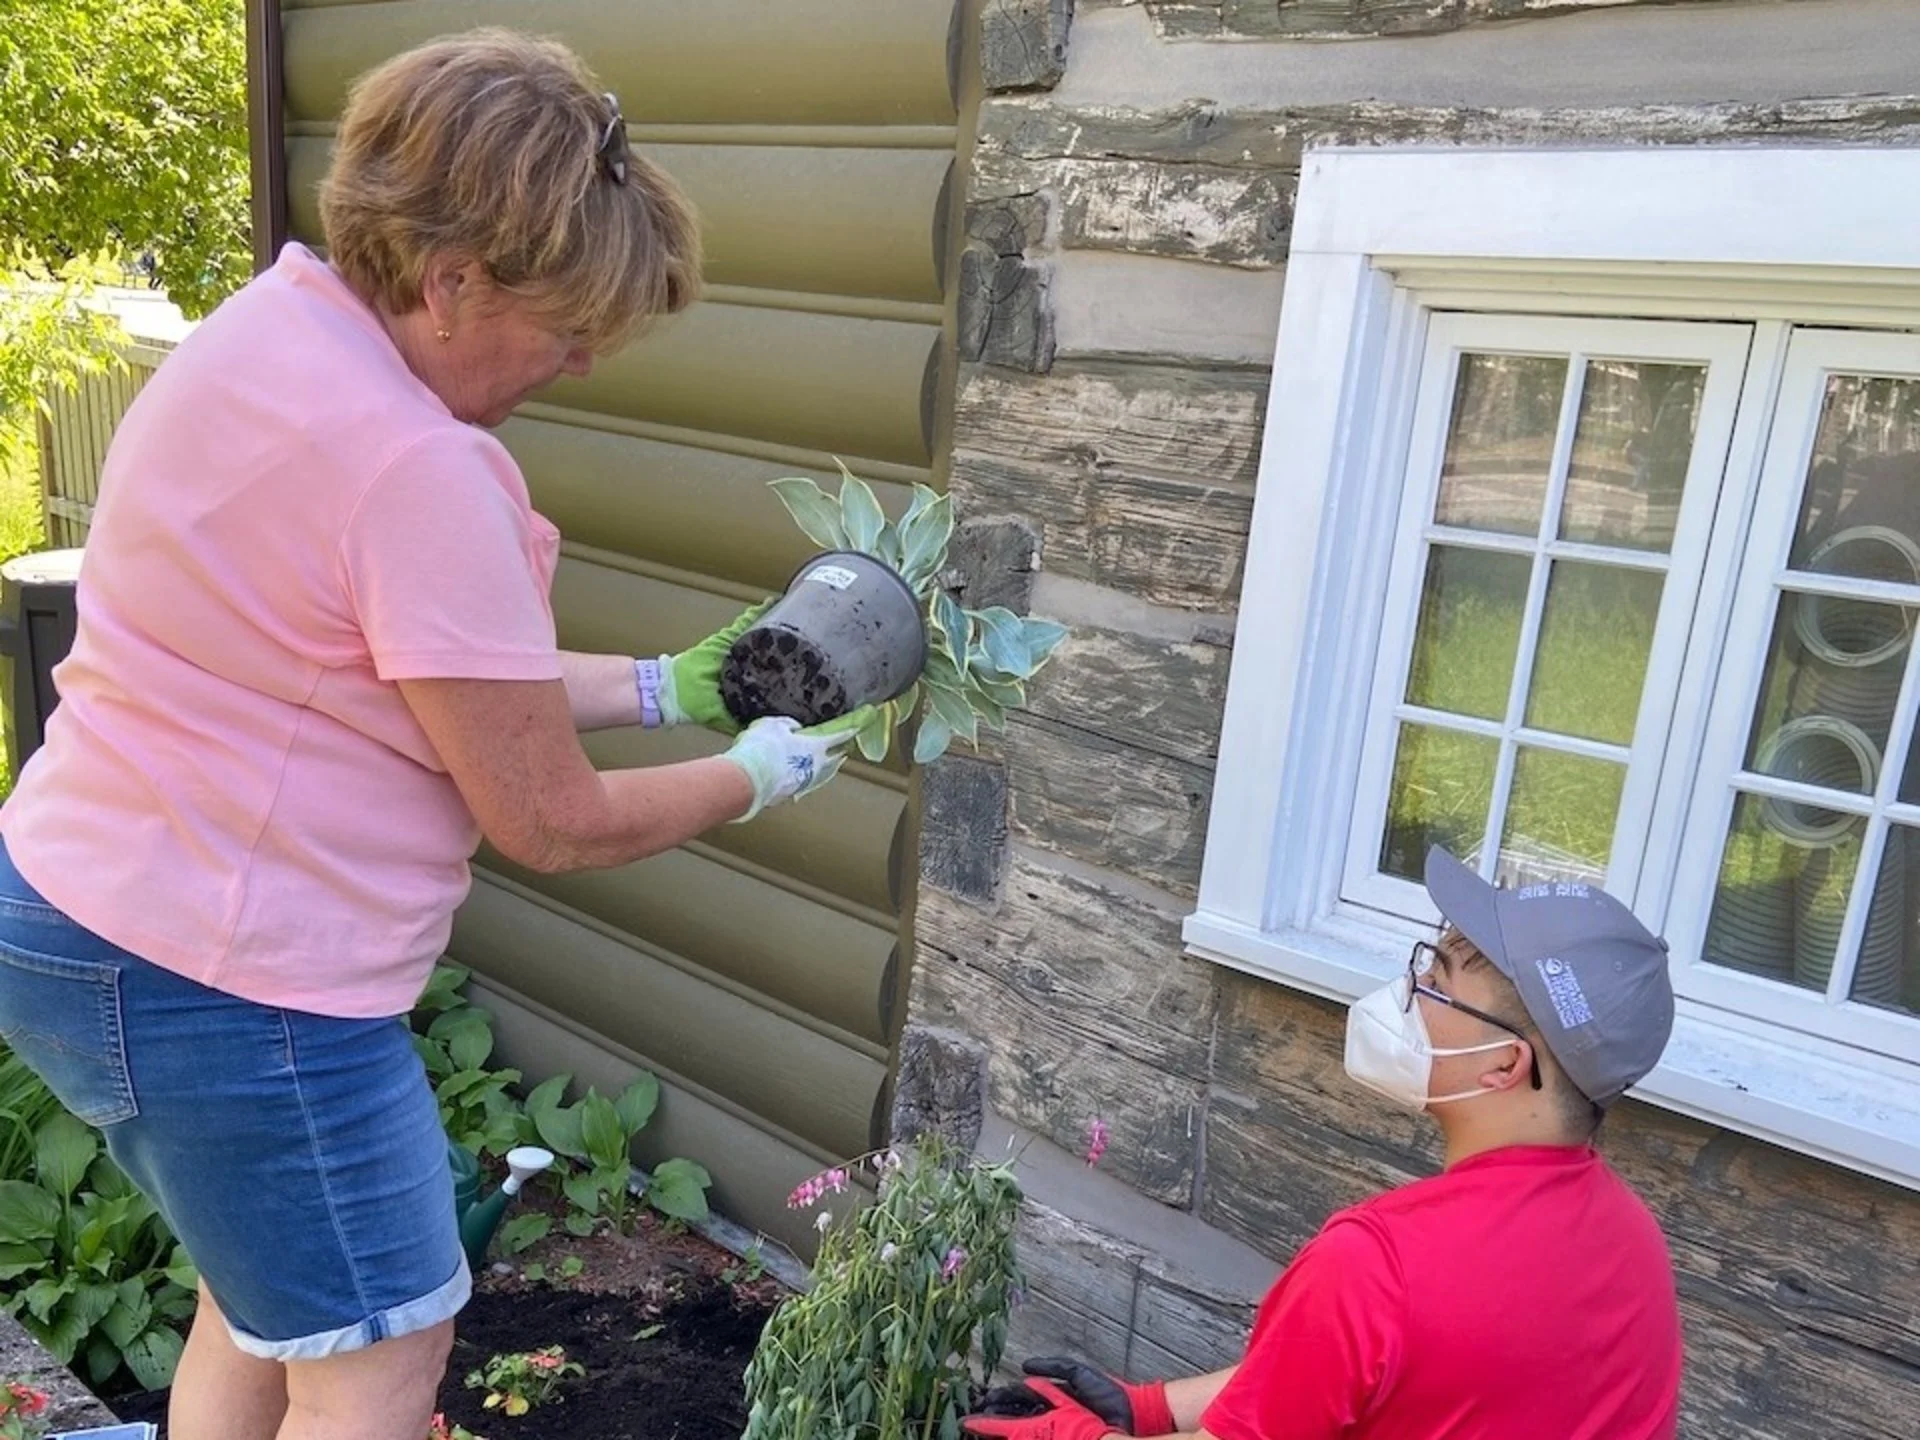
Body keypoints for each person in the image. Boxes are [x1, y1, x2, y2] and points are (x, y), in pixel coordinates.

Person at [0, 30, 857, 1440]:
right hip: (233, 981)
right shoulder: (416, 462)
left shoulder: (270, 342)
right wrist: (753, 777)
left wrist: (661, 687)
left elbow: (403, 668)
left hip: (92, 907)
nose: (581, 362)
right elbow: (548, 818)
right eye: (568, 324)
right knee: (381, 1360)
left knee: (264, 1302)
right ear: (454, 280)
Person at [968, 845, 1684, 1440]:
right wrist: (1152, 1410)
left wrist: (1077, 1435)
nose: (1406, 990)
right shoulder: (1635, 1250)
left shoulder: (1378, 1265)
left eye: (1436, 981)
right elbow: (1334, 1374)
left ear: (1505, 1064)